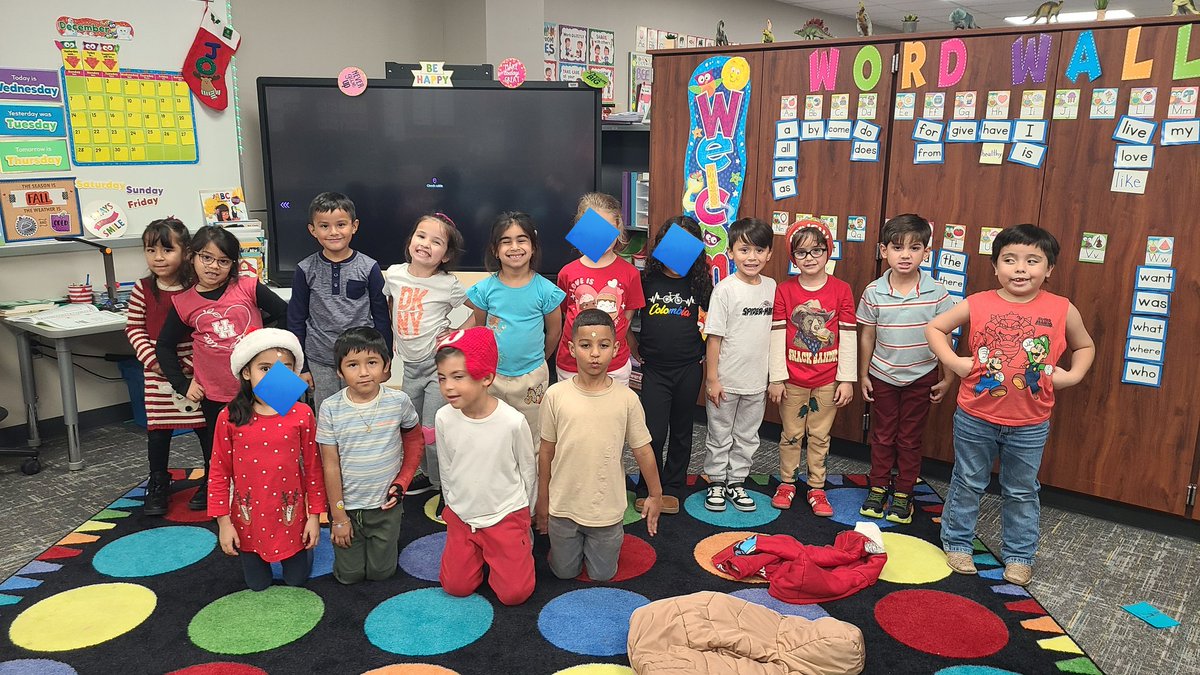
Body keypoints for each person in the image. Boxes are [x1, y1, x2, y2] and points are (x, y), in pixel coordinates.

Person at [926, 224, 1094, 587]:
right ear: (995, 265)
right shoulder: (979, 302)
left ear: (1048, 269)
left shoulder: (1062, 308)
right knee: (968, 480)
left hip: (1031, 421)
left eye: (1032, 261)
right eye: (1010, 260)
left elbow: (1085, 346)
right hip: (975, 415)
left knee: (1022, 489)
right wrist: (955, 364)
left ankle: (1019, 555)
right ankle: (957, 542)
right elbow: (936, 329)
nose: (1020, 269)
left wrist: (1074, 375)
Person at [157, 225, 288, 511]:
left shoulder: (248, 286)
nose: (214, 267)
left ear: (233, 264)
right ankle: (215, 485)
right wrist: (183, 384)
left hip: (268, 382)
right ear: (192, 257)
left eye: (223, 261)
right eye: (207, 257)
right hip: (215, 391)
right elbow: (163, 346)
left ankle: (282, 484)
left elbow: (286, 314)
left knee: (280, 435)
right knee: (217, 448)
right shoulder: (183, 302)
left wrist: (276, 352)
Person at [536, 309, 663, 582]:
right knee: (563, 573)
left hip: (606, 511)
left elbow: (642, 450)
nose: (595, 353)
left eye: (603, 345)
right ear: (571, 348)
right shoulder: (555, 395)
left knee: (603, 575)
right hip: (563, 508)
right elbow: (546, 452)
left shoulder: (627, 399)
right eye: (585, 345)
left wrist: (655, 494)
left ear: (617, 348)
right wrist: (542, 503)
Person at [208, 328, 326, 591]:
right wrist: (224, 523)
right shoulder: (228, 417)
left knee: (296, 580)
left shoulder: (302, 414)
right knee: (257, 585)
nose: (275, 377)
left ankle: (301, 553)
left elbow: (313, 468)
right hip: (249, 519)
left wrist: (314, 516)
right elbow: (218, 472)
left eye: (284, 368)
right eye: (265, 368)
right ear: (246, 372)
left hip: (290, 516)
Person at [857, 214, 956, 524]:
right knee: (883, 435)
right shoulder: (873, 292)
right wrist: (863, 374)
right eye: (897, 247)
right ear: (883, 250)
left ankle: (904, 491)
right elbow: (868, 336)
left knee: (910, 437)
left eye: (915, 248)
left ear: (927, 252)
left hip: (921, 376)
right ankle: (878, 486)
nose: (905, 255)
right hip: (882, 375)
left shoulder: (937, 292)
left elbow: (946, 336)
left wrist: (948, 377)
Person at [434, 327, 537, 605]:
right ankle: (476, 552)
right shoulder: (444, 417)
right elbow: (447, 466)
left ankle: (517, 546)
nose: (448, 387)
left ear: (487, 377)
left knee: (515, 594)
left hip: (505, 514)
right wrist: (453, 505)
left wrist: (526, 516)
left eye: (458, 377)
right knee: (455, 587)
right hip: (463, 515)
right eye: (442, 378)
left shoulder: (512, 421)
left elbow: (528, 470)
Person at [317, 327, 425, 584]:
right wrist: (339, 516)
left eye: (372, 362)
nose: (364, 372)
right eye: (352, 364)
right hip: (347, 508)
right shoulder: (330, 408)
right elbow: (329, 465)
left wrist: (403, 481)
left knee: (381, 573)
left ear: (386, 366)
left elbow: (414, 439)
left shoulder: (398, 401)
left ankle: (382, 542)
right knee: (349, 576)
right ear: (339, 371)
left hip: (384, 507)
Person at [767, 220, 857, 516]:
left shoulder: (842, 290)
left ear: (828, 252)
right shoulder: (785, 290)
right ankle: (787, 482)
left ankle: (817, 487)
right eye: (802, 253)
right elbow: (778, 333)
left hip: (828, 380)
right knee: (791, 434)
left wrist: (846, 379)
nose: (810, 258)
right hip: (792, 380)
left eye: (817, 250)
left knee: (819, 436)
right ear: (793, 257)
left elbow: (848, 335)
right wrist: (777, 377)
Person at [629, 216, 711, 516]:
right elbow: (627, 316)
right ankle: (647, 487)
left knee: (682, 430)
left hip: (689, 366)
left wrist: (705, 354)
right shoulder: (646, 279)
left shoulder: (700, 281)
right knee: (652, 431)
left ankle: (673, 486)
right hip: (654, 369)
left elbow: (712, 322)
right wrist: (634, 348)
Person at [384, 212, 469, 498]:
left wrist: (457, 333)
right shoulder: (394, 274)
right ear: (411, 241)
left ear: (445, 255)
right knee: (413, 426)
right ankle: (423, 473)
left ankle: (443, 483)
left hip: (436, 368)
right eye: (421, 236)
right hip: (409, 368)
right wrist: (394, 336)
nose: (425, 244)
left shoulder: (448, 284)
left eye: (436, 242)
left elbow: (480, 309)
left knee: (433, 429)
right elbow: (390, 304)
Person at [125, 218, 206, 515]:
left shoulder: (197, 287)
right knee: (158, 431)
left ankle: (213, 479)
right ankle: (158, 480)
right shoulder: (143, 288)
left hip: (195, 368)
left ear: (186, 253)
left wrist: (185, 363)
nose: (158, 257)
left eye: (167, 250)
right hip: (156, 370)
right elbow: (134, 328)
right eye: (151, 250)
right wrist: (156, 361)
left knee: (204, 429)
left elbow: (205, 329)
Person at [466, 212, 564, 444]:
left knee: (531, 436)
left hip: (532, 377)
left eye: (521, 240)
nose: (514, 247)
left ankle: (531, 480)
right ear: (495, 250)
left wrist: (538, 359)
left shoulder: (546, 291)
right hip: (493, 376)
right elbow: (481, 331)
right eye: (506, 241)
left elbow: (554, 333)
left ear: (533, 246)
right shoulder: (484, 290)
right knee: (493, 433)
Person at [288, 191, 391, 413]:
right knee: (326, 414)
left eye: (341, 224)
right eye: (324, 226)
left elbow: (382, 317)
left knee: (363, 411)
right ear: (312, 230)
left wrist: (385, 360)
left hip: (361, 359)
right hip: (319, 358)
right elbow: (296, 319)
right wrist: (302, 366)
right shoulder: (305, 269)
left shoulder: (369, 267)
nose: (333, 232)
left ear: (354, 226)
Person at [702, 218, 776, 513]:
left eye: (759, 250)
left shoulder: (772, 287)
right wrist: (712, 379)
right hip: (726, 380)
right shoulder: (724, 290)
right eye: (744, 250)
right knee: (719, 433)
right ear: (731, 252)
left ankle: (737, 481)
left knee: (747, 435)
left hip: (757, 381)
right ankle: (717, 480)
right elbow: (714, 338)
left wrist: (774, 377)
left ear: (769, 253)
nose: (752, 257)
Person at [555, 193, 645, 386]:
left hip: (615, 365)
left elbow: (627, 316)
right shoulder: (567, 272)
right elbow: (564, 313)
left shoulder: (631, 273)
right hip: (571, 364)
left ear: (618, 228)